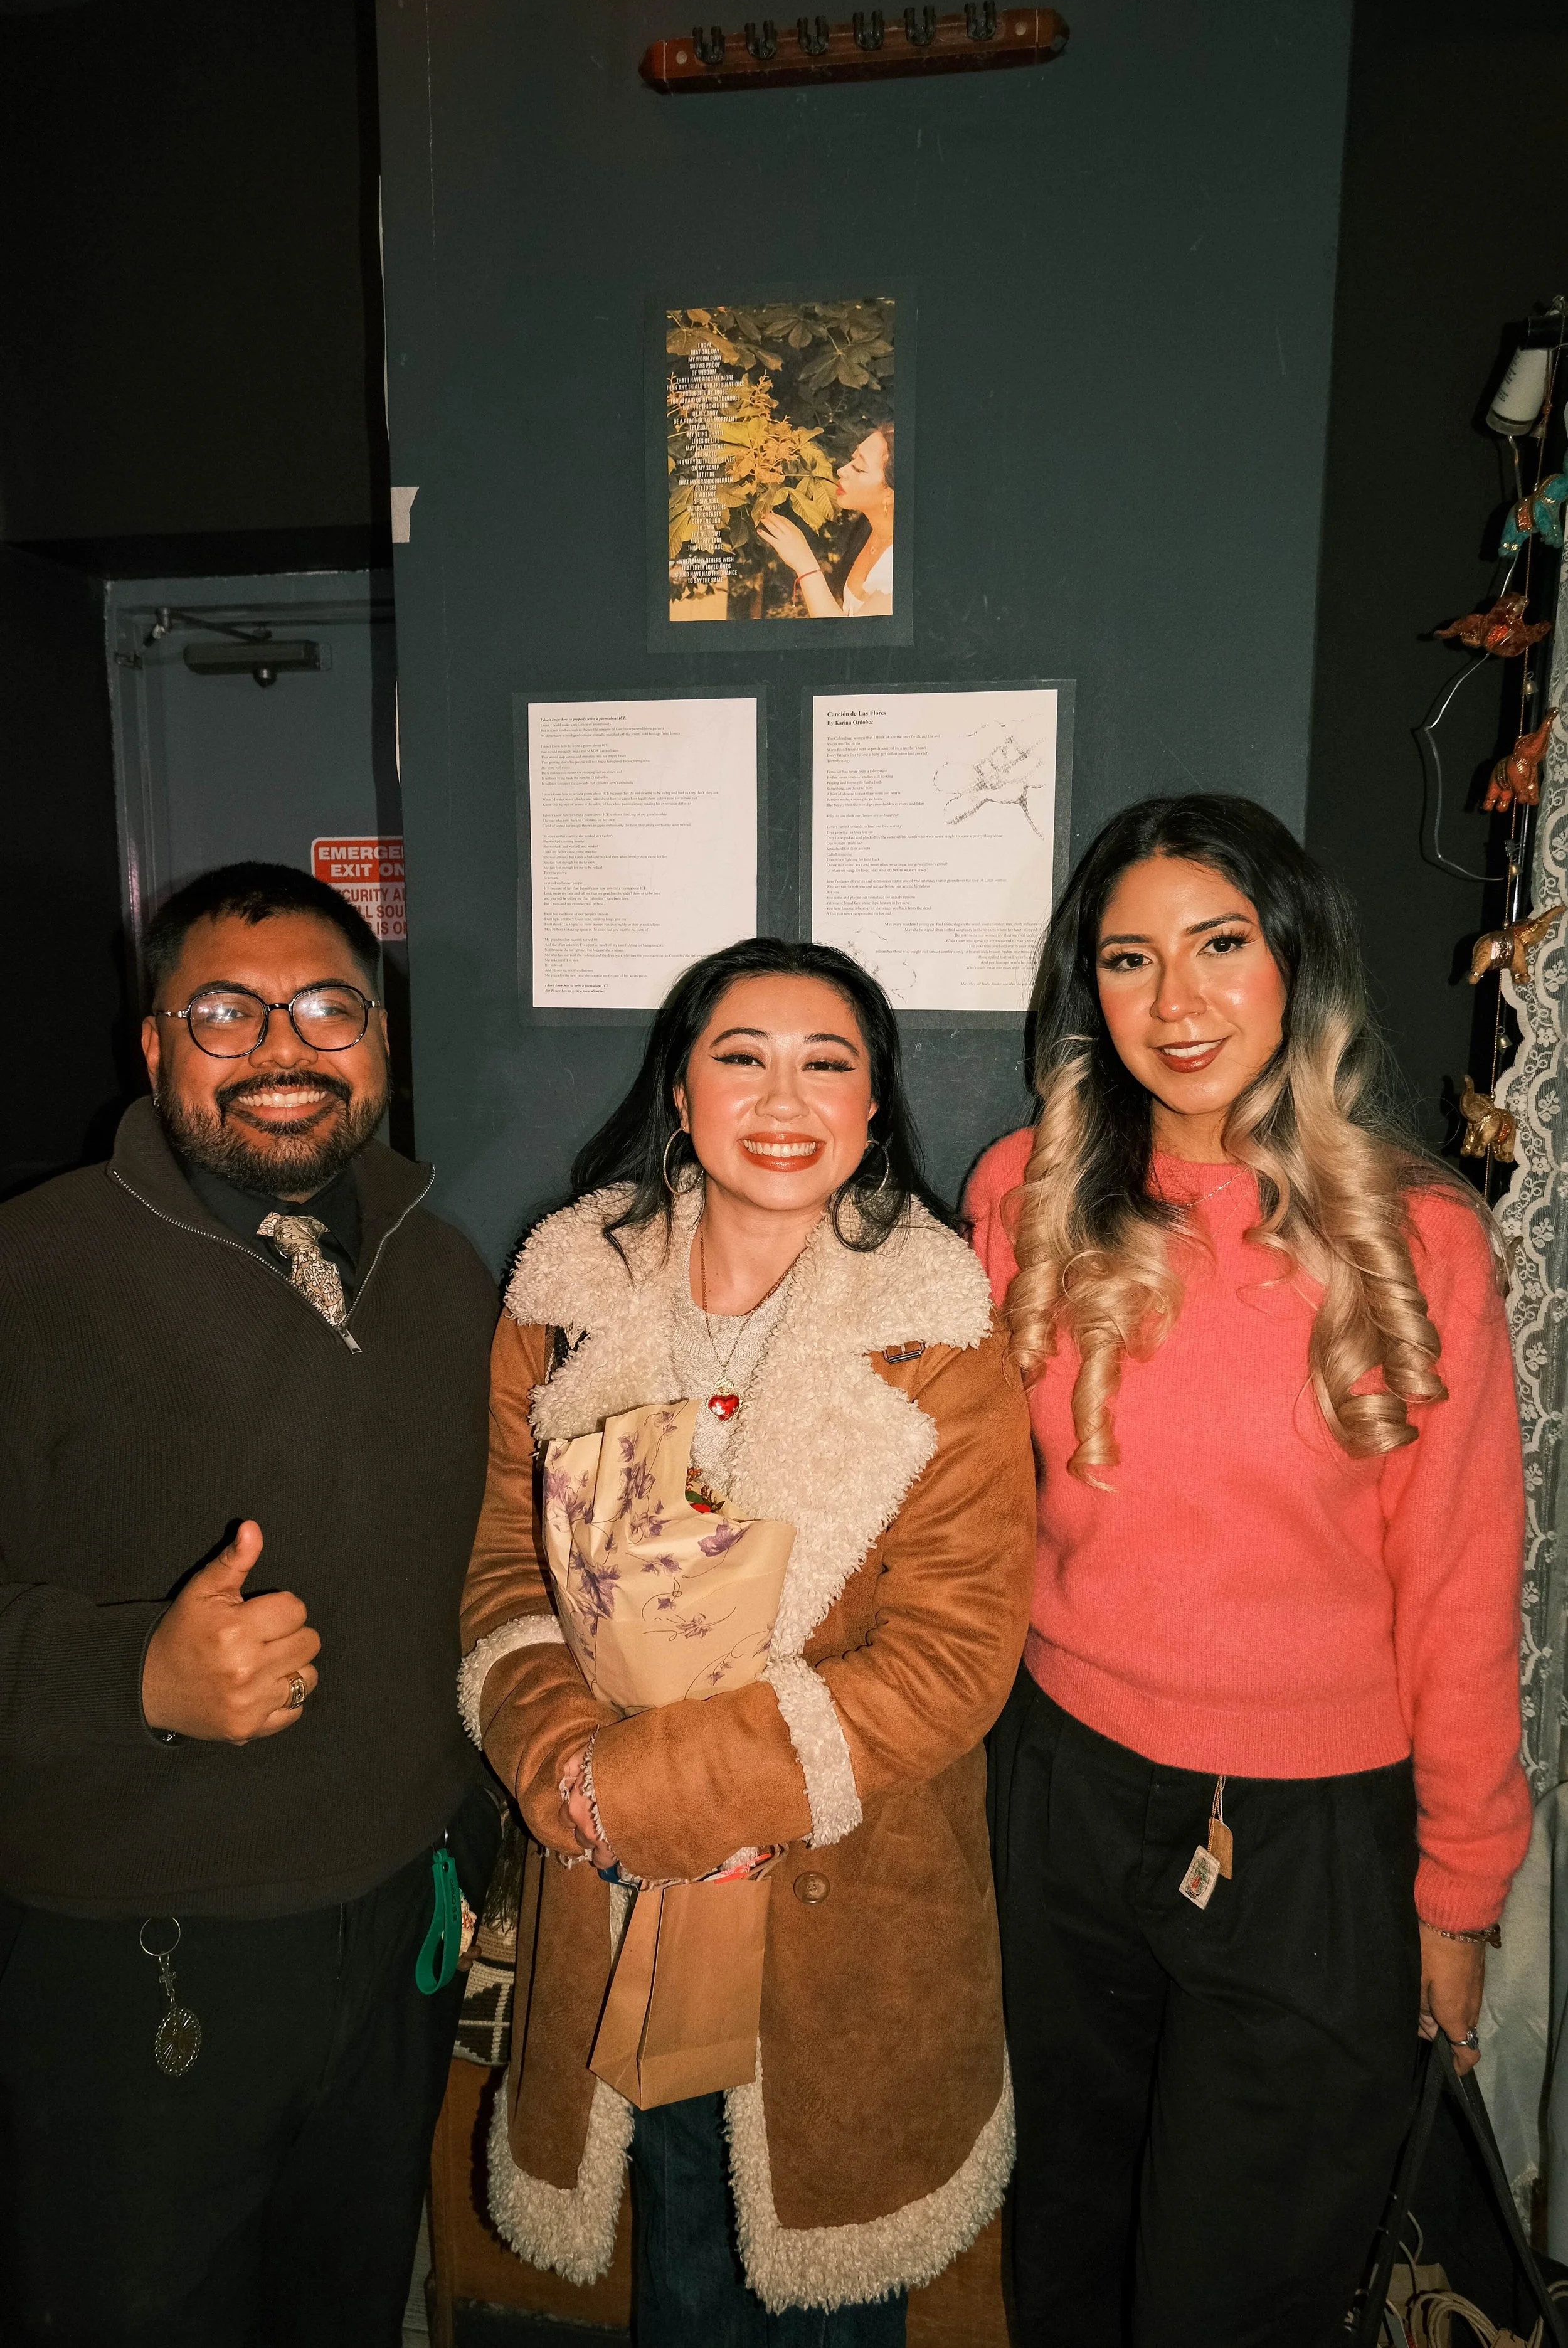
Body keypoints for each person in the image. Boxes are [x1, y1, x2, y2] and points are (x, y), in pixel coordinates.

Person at [967, 795, 1532, 2347]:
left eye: (1220, 946)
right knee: (1066, 2251)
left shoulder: (1416, 1237)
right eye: (1130, 958)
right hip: (1063, 1796)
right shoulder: (1022, 1191)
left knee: (1235, 2296)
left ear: (1295, 960)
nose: (1177, 1002)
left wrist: (1461, 1886)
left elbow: (1464, 1581)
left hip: (1314, 1844)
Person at [459, 936, 1035, 2344]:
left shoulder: (942, 1339)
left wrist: (672, 1788)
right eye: (743, 1057)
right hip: (621, 1904)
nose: (784, 1098)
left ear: (874, 1112)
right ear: (679, 1093)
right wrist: (561, 1766)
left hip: (850, 1917)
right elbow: (497, 1578)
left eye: (825, 1063)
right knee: (680, 2280)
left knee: (826, 2297)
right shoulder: (564, 1304)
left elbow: (951, 1660)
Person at [0, 861, 501, 2348]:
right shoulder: (35, 1272)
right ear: (152, 1048)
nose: (283, 1045)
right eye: (225, 1009)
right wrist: (127, 1676)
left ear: (383, 1041)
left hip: (395, 1940)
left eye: (327, 1007)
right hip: (138, 1964)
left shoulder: (446, 1266)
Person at [756, 424, 894, 617]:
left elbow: (848, 641)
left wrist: (805, 563)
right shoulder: (869, 530)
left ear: (891, 495)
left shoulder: (898, 571)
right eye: (853, 459)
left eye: (859, 469)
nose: (842, 471)